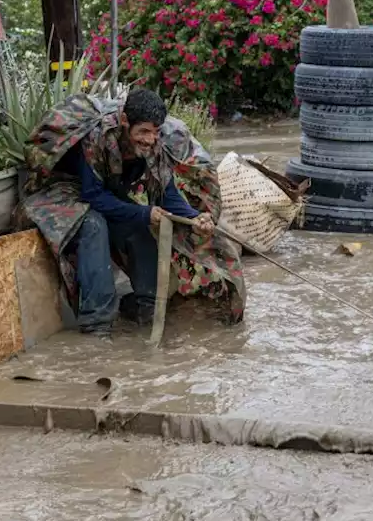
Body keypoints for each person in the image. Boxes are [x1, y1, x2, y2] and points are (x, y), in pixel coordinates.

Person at [20, 88, 246, 337]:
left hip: (103, 191)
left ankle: (147, 308)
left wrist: (195, 217)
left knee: (139, 225)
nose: (150, 139)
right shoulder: (96, 136)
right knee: (95, 226)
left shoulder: (153, 146)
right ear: (125, 122)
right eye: (144, 132)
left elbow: (166, 195)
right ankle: (97, 324)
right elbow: (92, 196)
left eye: (155, 132)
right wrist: (143, 213)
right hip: (64, 192)